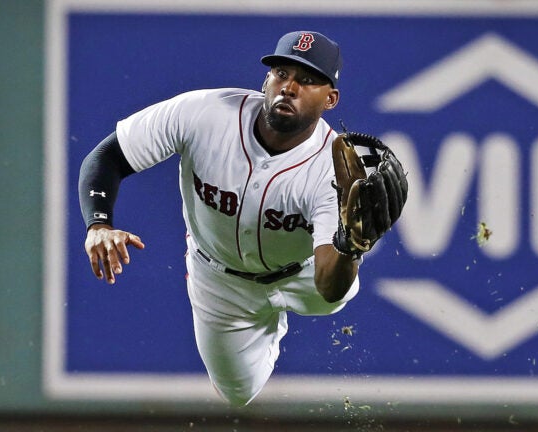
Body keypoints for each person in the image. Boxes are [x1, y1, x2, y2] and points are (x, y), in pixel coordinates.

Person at [78, 31, 362, 406]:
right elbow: (107, 157)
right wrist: (99, 224)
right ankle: (261, 335)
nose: (289, 87)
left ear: (331, 99)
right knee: (237, 393)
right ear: (265, 79)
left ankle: (288, 305)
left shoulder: (331, 169)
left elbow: (329, 288)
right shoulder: (206, 113)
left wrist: (350, 245)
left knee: (332, 299)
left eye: (307, 80)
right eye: (280, 72)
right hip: (220, 276)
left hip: (305, 273)